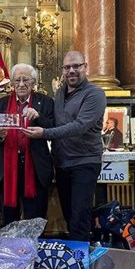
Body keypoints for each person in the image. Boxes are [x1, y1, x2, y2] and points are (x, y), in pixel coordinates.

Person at [22, 51, 106, 240]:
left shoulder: (95, 94)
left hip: (84, 163)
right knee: (69, 215)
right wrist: (38, 118)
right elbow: (56, 123)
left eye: (76, 66)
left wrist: (44, 134)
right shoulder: (59, 93)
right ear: (63, 70)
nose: (71, 71)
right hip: (62, 163)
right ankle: (75, 260)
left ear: (86, 67)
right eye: (67, 67)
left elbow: (79, 126)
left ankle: (81, 266)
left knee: (79, 217)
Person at [0, 63, 54, 224]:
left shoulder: (45, 102)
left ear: (33, 83)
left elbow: (54, 128)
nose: (21, 84)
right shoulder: (1, 104)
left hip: (35, 167)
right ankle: (9, 249)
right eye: (17, 80)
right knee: (9, 219)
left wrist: (38, 117)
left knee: (35, 218)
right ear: (11, 82)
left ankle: (33, 248)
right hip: (7, 168)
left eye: (26, 80)